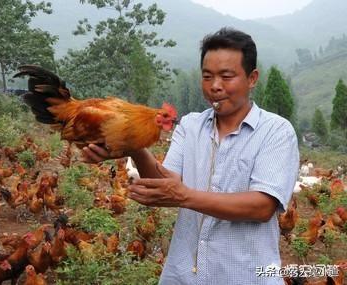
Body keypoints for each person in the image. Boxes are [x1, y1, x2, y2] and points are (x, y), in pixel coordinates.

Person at [81, 27, 299, 285]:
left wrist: (184, 196)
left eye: (227, 76)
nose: (215, 87)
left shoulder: (276, 131)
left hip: (244, 275)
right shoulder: (191, 126)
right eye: (207, 76)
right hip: (183, 275)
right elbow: (165, 182)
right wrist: (133, 146)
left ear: (252, 78)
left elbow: (262, 206)